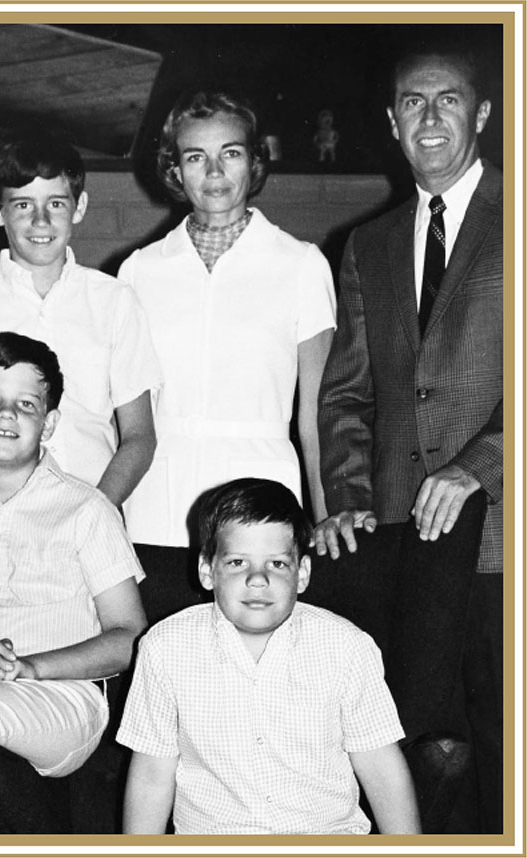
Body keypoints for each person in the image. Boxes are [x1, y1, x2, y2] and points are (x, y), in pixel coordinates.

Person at [315, 41, 502, 833]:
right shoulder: (370, 243)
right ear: (392, 122)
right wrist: (351, 500)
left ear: (483, 114)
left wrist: (478, 466)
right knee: (429, 750)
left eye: (448, 100)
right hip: (398, 542)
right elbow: (349, 392)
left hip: (502, 540)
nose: (430, 117)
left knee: (503, 744)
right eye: (413, 104)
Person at [118, 91, 337, 622]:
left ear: (255, 160)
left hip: (261, 506)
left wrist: (324, 519)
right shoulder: (139, 271)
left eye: (231, 153)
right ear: (175, 169)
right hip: (157, 509)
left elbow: (316, 418)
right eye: (195, 157)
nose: (214, 171)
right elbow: (127, 418)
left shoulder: (302, 264)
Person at [117, 477, 421, 835]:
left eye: (277, 564)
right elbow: (152, 776)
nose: (257, 579)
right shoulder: (164, 649)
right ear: (206, 571)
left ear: (302, 574)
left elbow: (381, 767)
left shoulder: (347, 647)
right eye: (237, 563)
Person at [0, 332, 148, 834]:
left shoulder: (87, 510)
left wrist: (30, 667)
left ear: (50, 422)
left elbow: (129, 638)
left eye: (27, 404)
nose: (7, 415)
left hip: (62, 697)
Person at [0, 132, 162, 514]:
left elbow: (140, 436)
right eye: (22, 205)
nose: (41, 220)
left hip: (94, 515)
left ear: (79, 206)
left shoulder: (114, 301)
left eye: (56, 203)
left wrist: (95, 511)